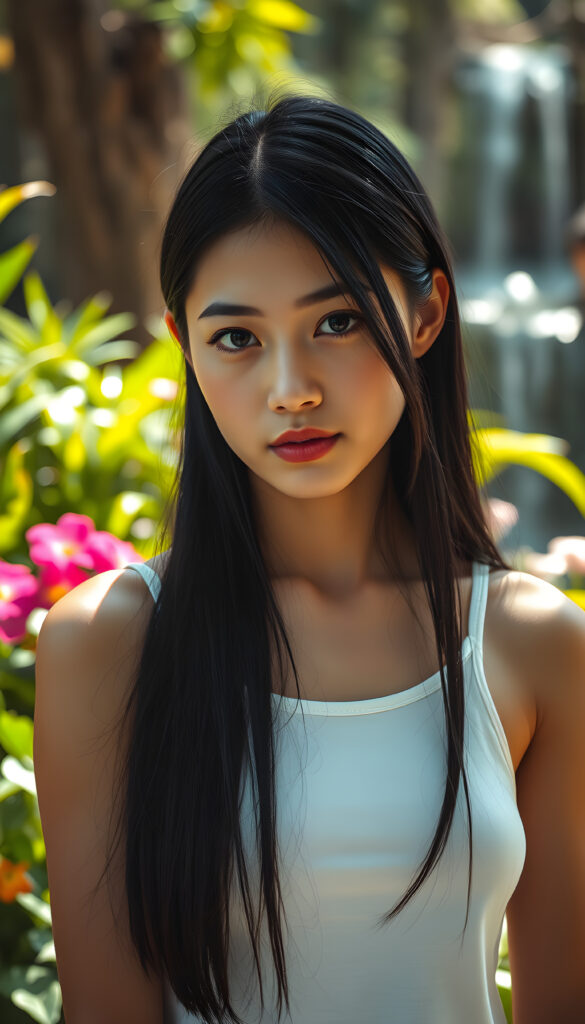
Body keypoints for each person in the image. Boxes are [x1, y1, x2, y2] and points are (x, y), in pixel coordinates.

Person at [32, 93, 585, 1024]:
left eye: (336, 322)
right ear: (187, 351)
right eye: (237, 339)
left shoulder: (531, 643)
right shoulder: (113, 644)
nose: (290, 390)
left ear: (422, 314)